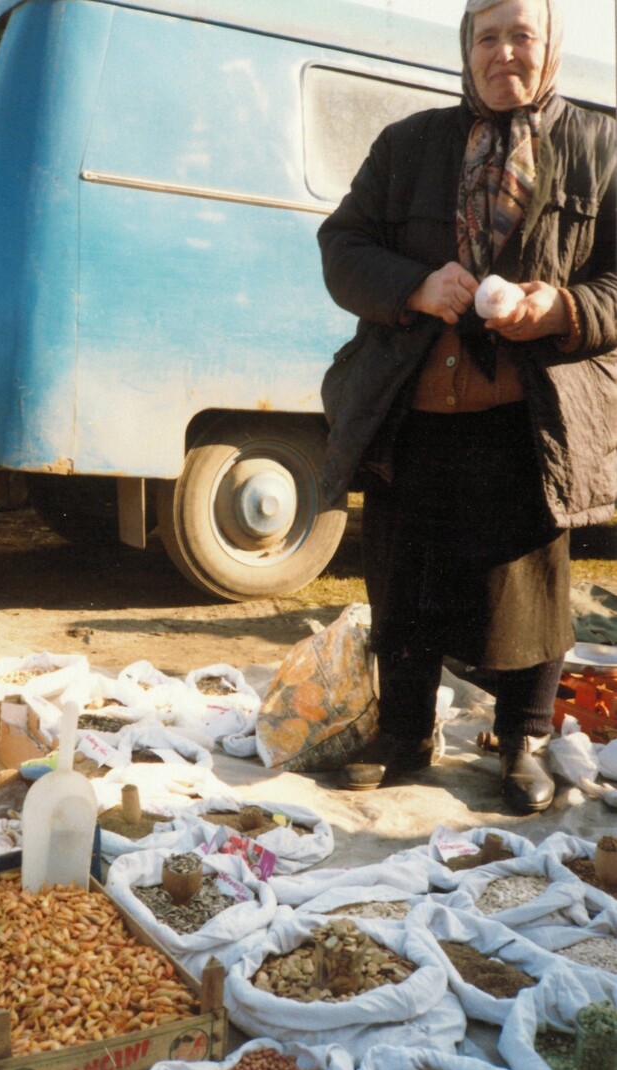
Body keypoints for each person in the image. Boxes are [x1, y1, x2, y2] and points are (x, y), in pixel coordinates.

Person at [317, 0, 616, 813]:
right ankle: (404, 735)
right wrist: (415, 285)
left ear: (551, 47)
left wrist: (560, 308)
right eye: (488, 36)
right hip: (414, 406)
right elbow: (342, 248)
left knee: (525, 584)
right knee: (402, 578)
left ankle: (519, 744)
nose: (504, 53)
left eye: (523, 35)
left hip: (530, 416)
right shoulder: (407, 144)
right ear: (467, 48)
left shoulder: (602, 147)